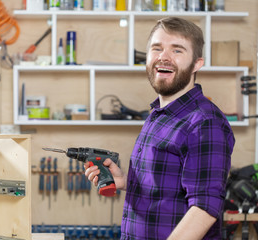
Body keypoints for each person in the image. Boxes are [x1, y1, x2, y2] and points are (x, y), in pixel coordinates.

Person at [85, 17, 235, 240]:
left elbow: (204, 209)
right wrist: (127, 182)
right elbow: (167, 188)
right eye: (157, 48)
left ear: (197, 64)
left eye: (177, 50)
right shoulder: (158, 115)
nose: (163, 57)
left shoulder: (204, 121)